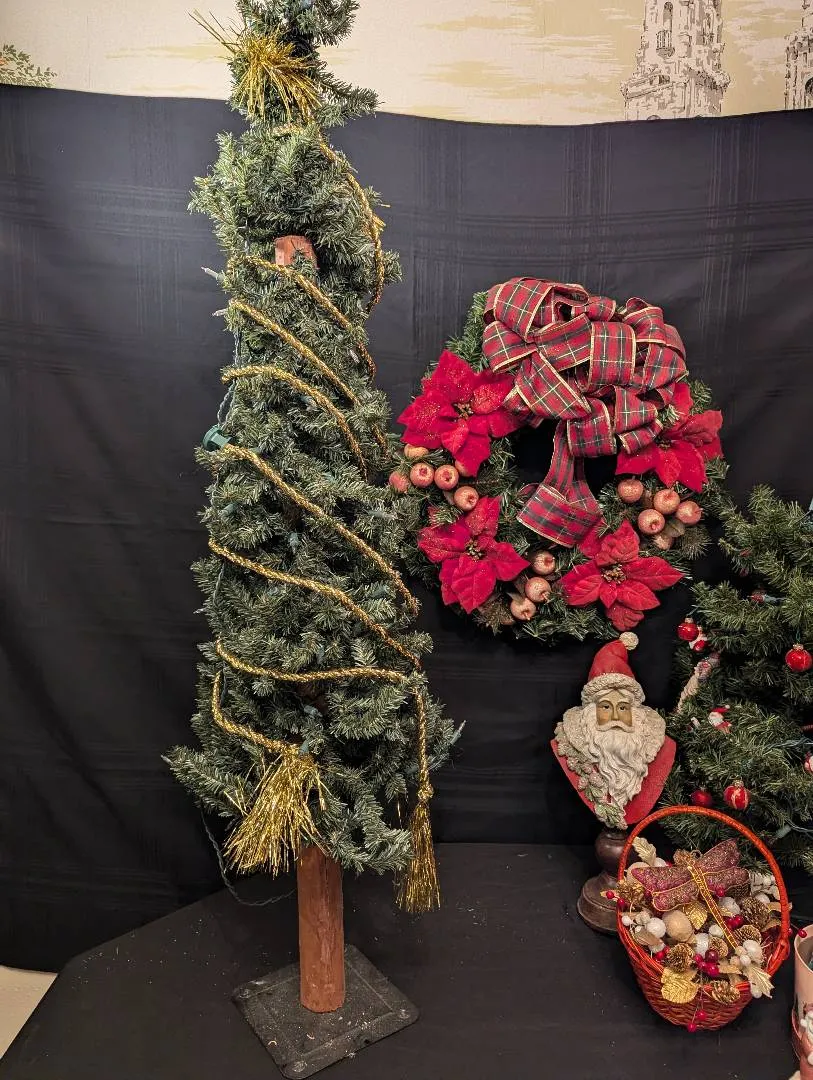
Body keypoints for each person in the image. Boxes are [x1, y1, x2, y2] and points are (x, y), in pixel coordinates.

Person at [552, 634, 675, 830]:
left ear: (635, 712)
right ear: (591, 712)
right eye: (606, 707)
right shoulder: (566, 745)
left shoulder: (662, 745)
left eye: (623, 708)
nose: (616, 716)